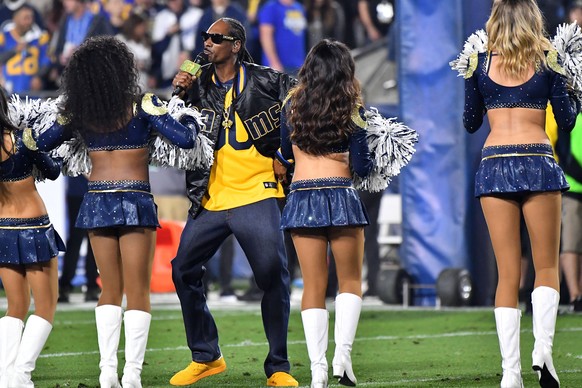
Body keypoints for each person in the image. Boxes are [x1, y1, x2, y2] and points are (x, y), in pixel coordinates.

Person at [31, 36, 201, 388]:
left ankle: (107, 372)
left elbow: (39, 142)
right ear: (122, 71)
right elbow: (185, 139)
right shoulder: (144, 105)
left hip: (96, 202)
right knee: (137, 292)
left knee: (109, 289)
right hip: (135, 201)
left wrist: (61, 118)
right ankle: (131, 375)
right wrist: (187, 116)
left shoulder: (80, 113)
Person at [169, 17, 298, 387]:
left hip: (256, 191)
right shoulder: (195, 83)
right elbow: (171, 126)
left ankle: (278, 367)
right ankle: (206, 356)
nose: (207, 43)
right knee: (183, 270)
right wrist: (177, 92)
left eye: (216, 38)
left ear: (236, 44)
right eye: (205, 37)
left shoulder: (266, 79)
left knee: (272, 273)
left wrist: (285, 155)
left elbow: (301, 104)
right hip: (210, 196)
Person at [458, 0, 580, 386]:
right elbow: (568, 119)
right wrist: (568, 78)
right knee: (546, 266)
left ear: (495, 18)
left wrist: (473, 79)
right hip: (538, 160)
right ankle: (542, 350)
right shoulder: (549, 57)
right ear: (533, 17)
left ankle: (511, 374)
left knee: (507, 273)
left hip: (495, 163)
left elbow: (470, 121)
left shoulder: (478, 59)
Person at [278, 39, 373, 388]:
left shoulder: (291, 104)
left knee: (312, 285)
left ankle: (318, 370)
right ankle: (342, 359)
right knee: (349, 280)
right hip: (341, 194)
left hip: (302, 195)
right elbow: (362, 165)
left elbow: (286, 153)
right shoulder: (353, 107)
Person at [0, 89, 64, 387]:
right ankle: (21, 376)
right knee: (45, 307)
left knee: (15, 307)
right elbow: (52, 171)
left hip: (2, 230)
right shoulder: (23, 137)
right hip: (33, 227)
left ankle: (5, 376)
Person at [58, 175, 100, 303]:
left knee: (94, 240)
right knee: (77, 240)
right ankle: (65, 286)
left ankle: (91, 285)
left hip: (94, 191)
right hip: (80, 191)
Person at [0, 3, 51, 94]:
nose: (29, 21)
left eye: (31, 18)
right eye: (26, 18)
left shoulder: (39, 38)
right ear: (15, 19)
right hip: (9, 91)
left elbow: (47, 60)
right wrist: (14, 50)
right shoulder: (4, 37)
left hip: (32, 93)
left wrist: (39, 76)